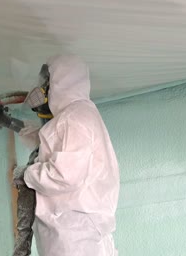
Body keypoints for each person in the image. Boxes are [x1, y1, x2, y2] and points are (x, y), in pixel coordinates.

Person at [15, 55, 120, 256]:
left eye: (46, 82)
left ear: (61, 81)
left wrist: (28, 174)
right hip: (76, 231)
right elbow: (45, 141)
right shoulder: (76, 115)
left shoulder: (74, 118)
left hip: (75, 234)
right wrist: (7, 121)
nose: (43, 88)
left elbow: (65, 175)